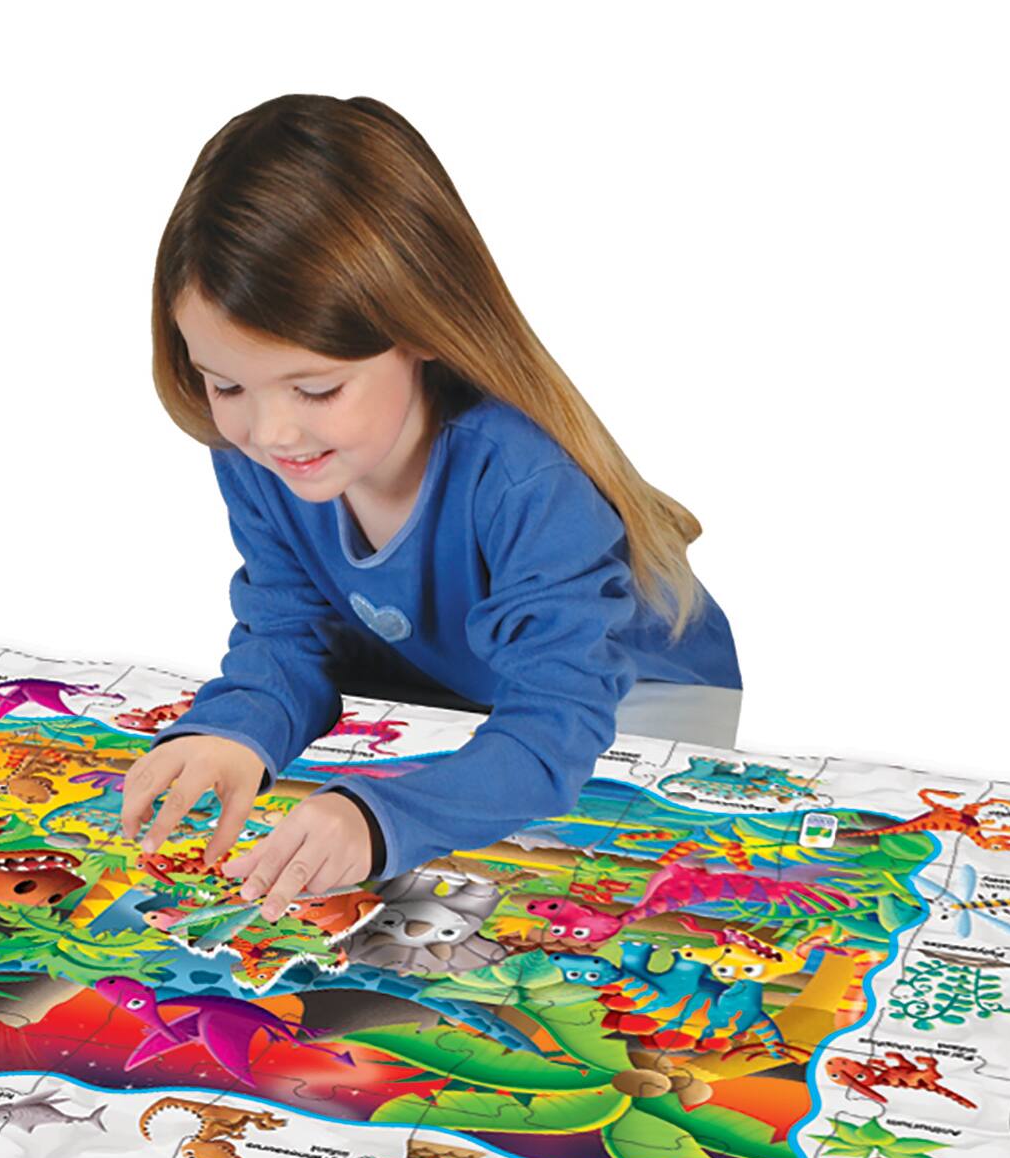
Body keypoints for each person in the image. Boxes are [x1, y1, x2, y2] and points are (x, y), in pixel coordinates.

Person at [119, 91, 743, 923]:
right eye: (226, 384)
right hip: (450, 676)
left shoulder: (522, 476)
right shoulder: (261, 453)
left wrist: (380, 819)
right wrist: (235, 730)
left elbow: (554, 722)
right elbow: (290, 633)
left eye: (316, 388)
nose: (270, 431)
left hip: (638, 708)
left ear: (417, 327)